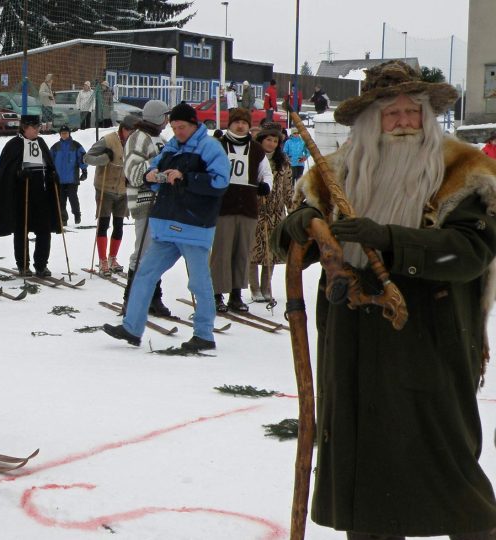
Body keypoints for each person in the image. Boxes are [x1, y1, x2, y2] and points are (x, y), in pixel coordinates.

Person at [273, 59, 496, 540]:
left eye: (412, 111)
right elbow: (288, 248)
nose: (402, 122)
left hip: (429, 342)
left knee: (451, 472)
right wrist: (296, 229)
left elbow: (471, 252)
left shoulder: (463, 172)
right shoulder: (334, 174)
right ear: (369, 122)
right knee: (364, 467)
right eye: (389, 113)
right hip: (352, 345)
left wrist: (391, 240)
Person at [103, 102, 229, 351]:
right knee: (144, 274)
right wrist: (151, 176)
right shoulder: (171, 147)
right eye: (174, 127)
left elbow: (220, 182)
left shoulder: (210, 147)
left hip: (193, 227)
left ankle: (204, 334)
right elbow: (153, 169)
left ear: (194, 124)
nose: (178, 131)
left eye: (182, 126)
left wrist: (186, 177)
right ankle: (132, 328)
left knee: (198, 282)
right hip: (166, 224)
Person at [210, 107, 272, 312]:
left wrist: (266, 186)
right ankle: (217, 294)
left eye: (244, 123)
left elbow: (267, 174)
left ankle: (236, 295)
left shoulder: (256, 149)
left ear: (249, 126)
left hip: (247, 207)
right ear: (230, 124)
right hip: (223, 207)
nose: (240, 125)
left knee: (242, 252)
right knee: (222, 251)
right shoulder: (219, 145)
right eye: (236, 122)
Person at [120, 100, 171, 313]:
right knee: (143, 251)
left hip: (162, 202)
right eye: (165, 116)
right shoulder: (138, 138)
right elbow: (133, 171)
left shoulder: (162, 139)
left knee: (156, 251)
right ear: (158, 117)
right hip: (144, 199)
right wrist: (161, 175)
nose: (167, 120)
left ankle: (153, 297)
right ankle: (131, 299)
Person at [0, 115, 60, 277]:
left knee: (44, 230)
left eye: (38, 126)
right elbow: (5, 171)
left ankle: (41, 264)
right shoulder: (14, 145)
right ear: (24, 127)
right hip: (20, 196)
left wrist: (52, 175)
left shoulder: (41, 143)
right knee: (21, 230)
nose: (38, 129)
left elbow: (49, 164)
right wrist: (18, 174)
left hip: (41, 194)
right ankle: (23, 265)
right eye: (34, 127)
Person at [84, 114, 135, 275]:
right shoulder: (108, 140)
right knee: (104, 224)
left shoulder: (134, 143)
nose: (132, 135)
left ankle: (113, 257)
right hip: (105, 188)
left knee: (119, 225)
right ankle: (102, 260)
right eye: (131, 131)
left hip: (123, 189)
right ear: (124, 129)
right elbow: (87, 158)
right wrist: (104, 158)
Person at [248, 125, 292, 303]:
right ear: (261, 140)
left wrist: (292, 207)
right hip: (256, 210)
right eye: (268, 140)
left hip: (275, 212)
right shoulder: (253, 158)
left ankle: (266, 287)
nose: (272, 144)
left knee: (270, 252)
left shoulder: (283, 161)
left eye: (275, 141)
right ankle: (254, 288)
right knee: (253, 250)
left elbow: (288, 187)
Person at [51, 125, 87, 227]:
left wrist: (84, 170)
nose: (64, 135)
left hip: (72, 178)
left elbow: (83, 157)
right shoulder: (55, 147)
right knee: (61, 201)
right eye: (62, 133)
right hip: (59, 179)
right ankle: (63, 219)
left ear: (69, 134)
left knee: (73, 198)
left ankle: (77, 215)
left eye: (66, 133)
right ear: (60, 134)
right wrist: (51, 172)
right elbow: (50, 160)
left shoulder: (76, 146)